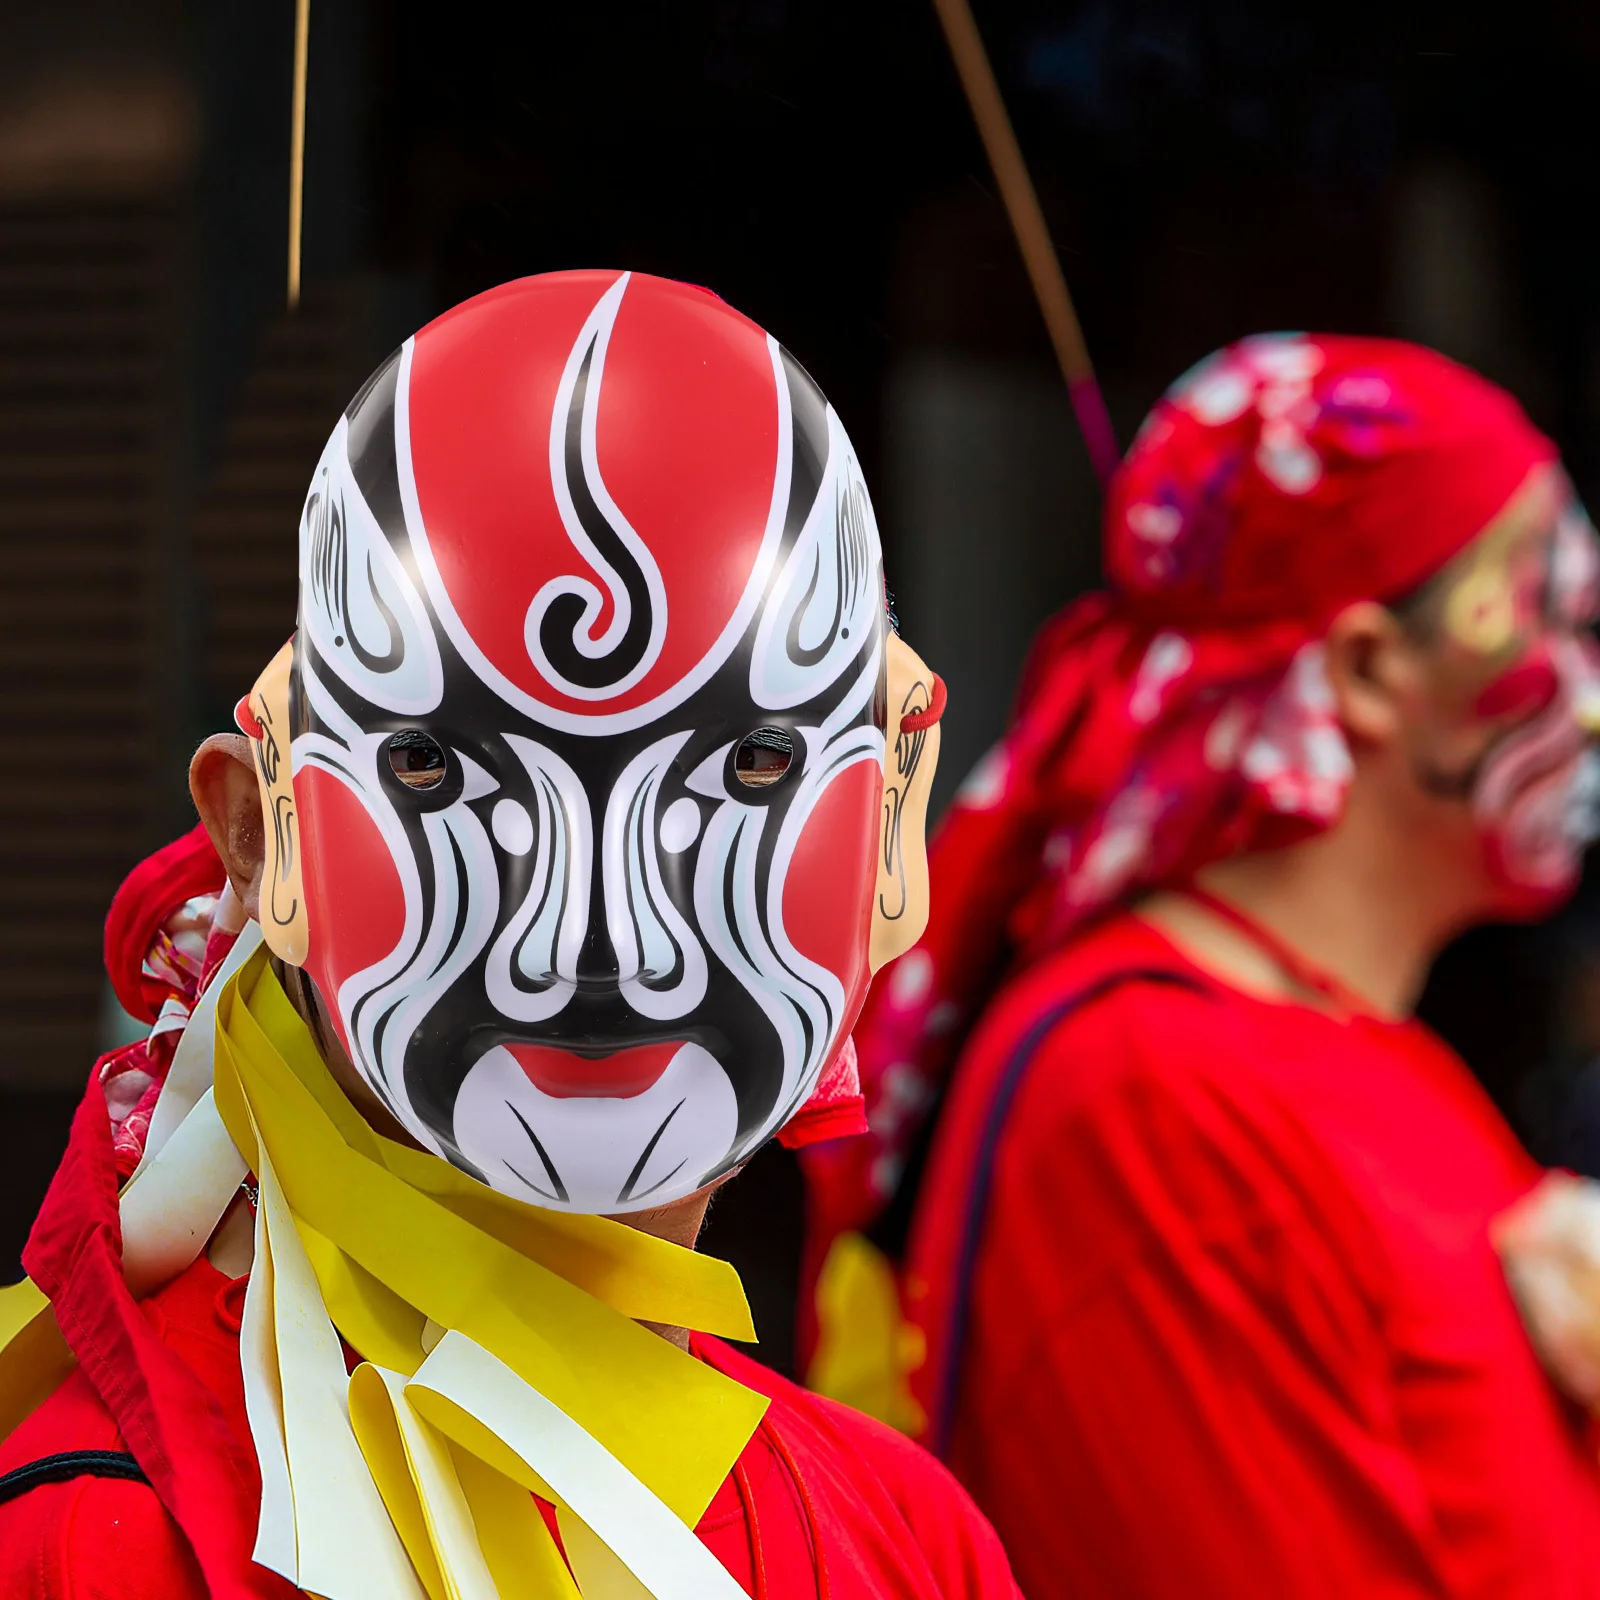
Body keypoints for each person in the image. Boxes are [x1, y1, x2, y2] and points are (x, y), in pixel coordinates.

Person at [0, 269, 1016, 1600]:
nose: (600, 939)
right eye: (434, 768)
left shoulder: (906, 1539)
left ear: (891, 827)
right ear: (264, 836)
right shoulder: (98, 1545)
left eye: (753, 764)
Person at [830, 333, 1600, 1597]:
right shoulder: (1153, 1104)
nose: (1584, 697)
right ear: (1365, 670)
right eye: (1554, 618)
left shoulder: (1385, 1058)